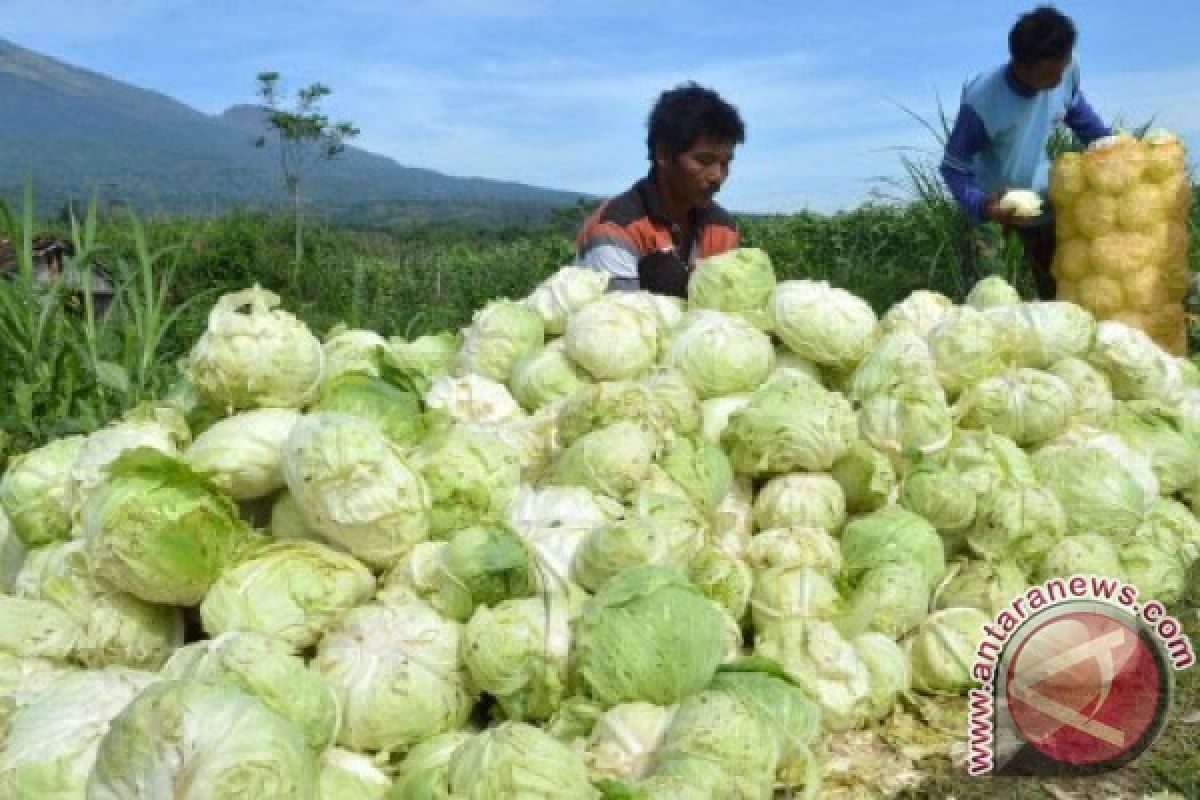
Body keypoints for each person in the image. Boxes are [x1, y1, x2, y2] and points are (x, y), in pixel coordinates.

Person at [940, 6, 1111, 300]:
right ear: (1021, 66)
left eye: (1064, 64)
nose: (1059, 77)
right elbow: (953, 168)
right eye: (1050, 72)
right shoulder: (983, 102)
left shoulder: (1066, 69)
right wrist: (983, 206)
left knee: (1058, 289)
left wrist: (1112, 147)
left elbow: (1076, 110)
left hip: (1039, 198)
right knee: (989, 298)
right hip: (992, 206)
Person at [575, 82, 745, 297]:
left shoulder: (723, 229)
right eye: (704, 160)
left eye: (725, 163)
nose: (717, 176)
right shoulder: (616, 229)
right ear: (663, 154)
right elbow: (618, 320)